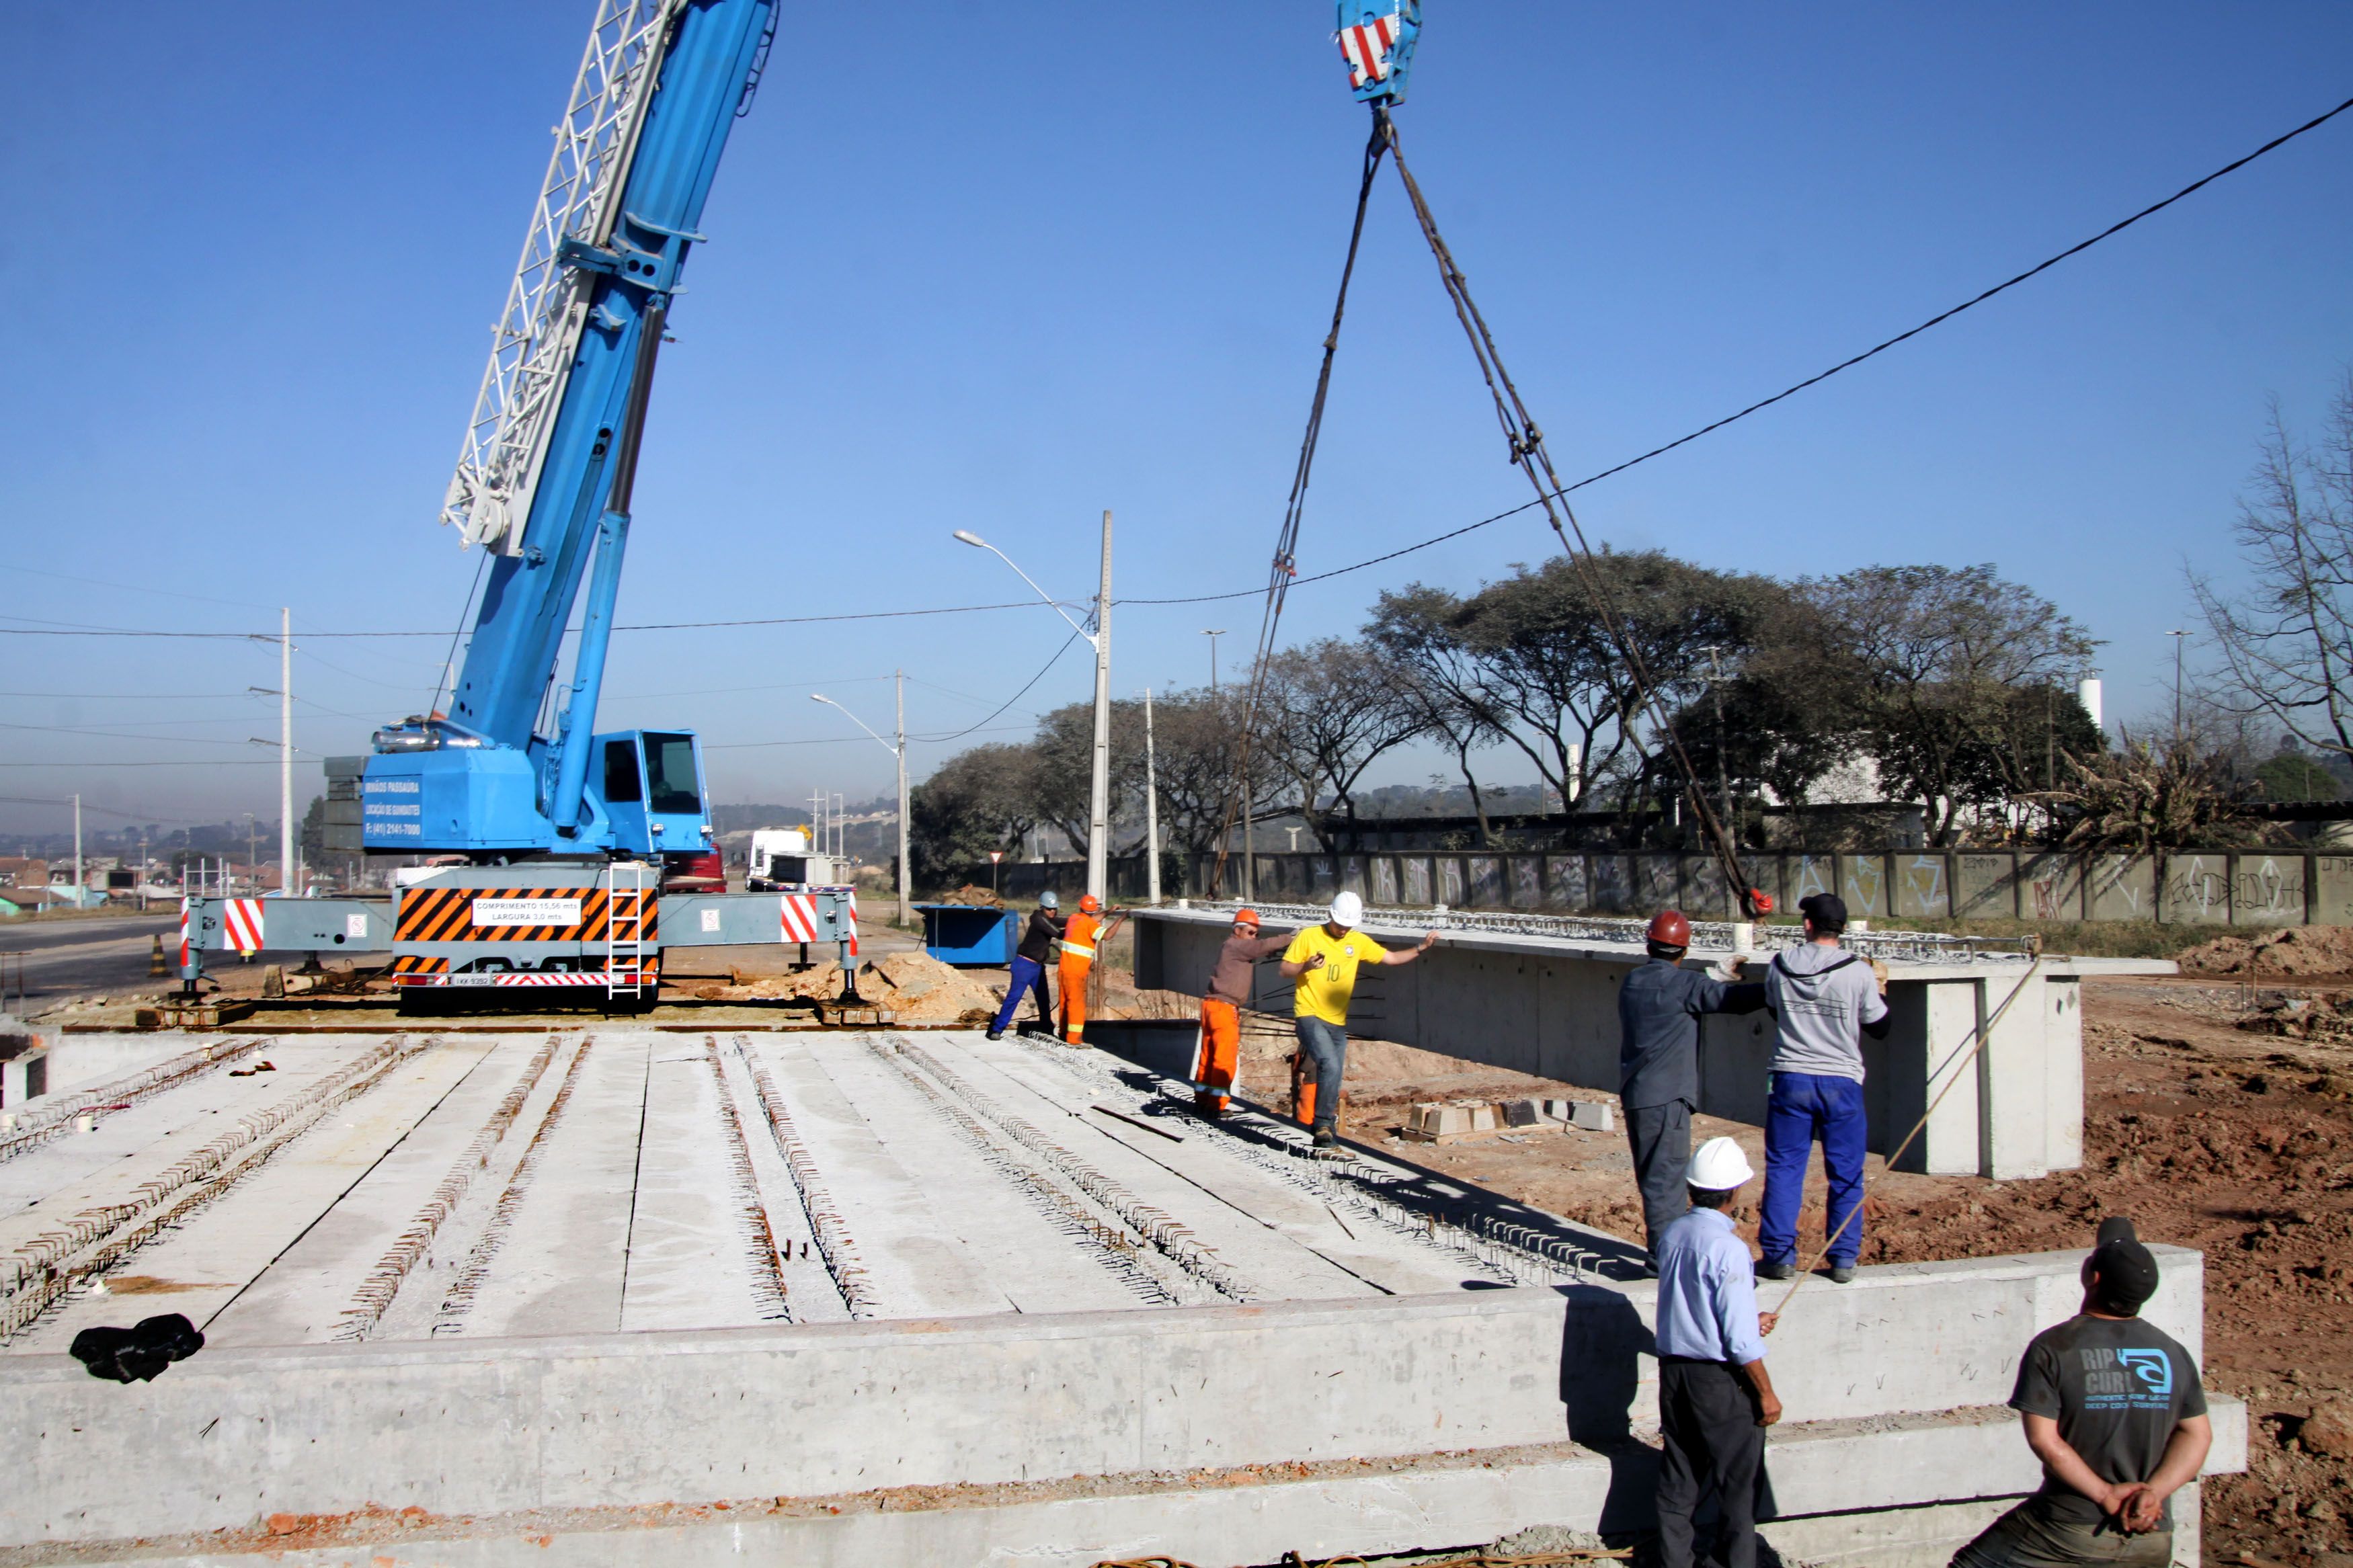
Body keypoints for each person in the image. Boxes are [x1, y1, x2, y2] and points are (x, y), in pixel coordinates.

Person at [1949, 1216, 2211, 1567]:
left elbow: (2045, 1441)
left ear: (2092, 1277)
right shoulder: (2173, 1353)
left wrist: (2106, 1495)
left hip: (2067, 1530)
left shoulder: (2055, 1347)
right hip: (2151, 1535)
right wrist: (2153, 1494)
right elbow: (2198, 1435)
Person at [1653, 1136, 1782, 1568]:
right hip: (1717, 1380)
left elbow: (1694, 1304)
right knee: (1738, 1485)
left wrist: (1747, 1318)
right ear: (1735, 1192)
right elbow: (1740, 1342)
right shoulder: (1729, 1248)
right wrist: (1766, 1393)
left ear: (1691, 1188)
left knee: (1680, 1474)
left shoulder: (1674, 1234)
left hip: (1675, 1373)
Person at [1619, 909, 1767, 1272]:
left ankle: (1662, 1252)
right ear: (1684, 951)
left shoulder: (1633, 981)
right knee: (1666, 1181)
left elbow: (1673, 989)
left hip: (1637, 1094)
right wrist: (1780, 984)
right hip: (1666, 1098)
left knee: (1652, 1177)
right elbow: (1732, 1002)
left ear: (1648, 944)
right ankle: (1664, 1261)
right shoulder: (1686, 986)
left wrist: (1712, 977)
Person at [1757, 892, 1888, 1284]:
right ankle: (1844, 1259)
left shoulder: (1780, 965)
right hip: (1841, 1083)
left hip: (1790, 1078)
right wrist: (1881, 993)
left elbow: (1773, 1009)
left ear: (1808, 924)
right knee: (1847, 1175)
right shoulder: (1858, 972)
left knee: (1784, 1169)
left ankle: (1780, 1257)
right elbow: (1880, 1027)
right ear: (1842, 929)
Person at [1277, 891, 1437, 1149]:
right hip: (1309, 1015)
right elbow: (1284, 969)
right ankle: (1322, 1125)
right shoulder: (1309, 937)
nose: (1343, 930)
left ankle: (1324, 1123)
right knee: (1328, 1063)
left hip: (1337, 1022)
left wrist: (1421, 947)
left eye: (1348, 926)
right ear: (1330, 916)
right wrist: (1305, 967)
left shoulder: (1358, 941)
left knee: (1335, 1072)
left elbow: (1392, 958)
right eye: (1340, 925)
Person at [1196, 907, 1290, 1115]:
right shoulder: (1237, 946)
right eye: (1250, 933)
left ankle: (1202, 1099)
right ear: (1237, 930)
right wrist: (1290, 938)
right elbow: (1262, 947)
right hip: (1224, 1009)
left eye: (1256, 934)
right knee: (1224, 1059)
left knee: (1208, 1056)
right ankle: (1216, 1106)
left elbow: (1259, 949)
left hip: (1211, 1006)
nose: (1254, 937)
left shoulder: (1232, 947)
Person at [986, 891, 1061, 1041]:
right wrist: (1078, 930)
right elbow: (1058, 933)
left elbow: (1065, 922)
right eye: (1049, 909)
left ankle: (1047, 1028)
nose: (1052, 911)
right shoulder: (1040, 920)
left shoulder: (1047, 919)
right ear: (1042, 908)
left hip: (1038, 968)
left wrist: (1081, 920)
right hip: (1024, 965)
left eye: (1054, 909)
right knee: (1014, 997)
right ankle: (997, 1029)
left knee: (1043, 999)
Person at [1058, 893, 1105, 1046]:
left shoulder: (1074, 918)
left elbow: (1091, 920)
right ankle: (1074, 1039)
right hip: (1076, 972)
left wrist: (1109, 912)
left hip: (1064, 969)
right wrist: (1121, 918)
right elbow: (1107, 935)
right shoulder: (1090, 925)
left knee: (1065, 1003)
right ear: (1094, 910)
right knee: (1076, 1005)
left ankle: (1063, 1033)